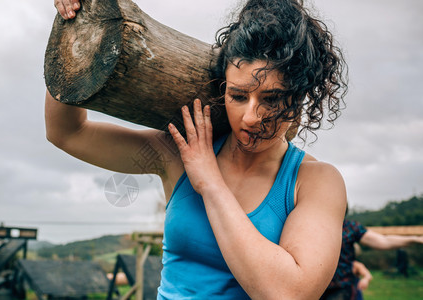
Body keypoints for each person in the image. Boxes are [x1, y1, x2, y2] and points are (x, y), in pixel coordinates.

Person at [47, 0, 349, 298]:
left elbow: (288, 294)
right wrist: (72, 26)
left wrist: (211, 183)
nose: (250, 117)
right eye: (239, 96)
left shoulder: (315, 182)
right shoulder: (181, 151)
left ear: (299, 97)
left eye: (271, 99)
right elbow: (67, 133)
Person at [321, 219, 423, 300]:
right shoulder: (309, 224)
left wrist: (414, 239)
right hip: (312, 285)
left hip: (341, 288)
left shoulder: (349, 227)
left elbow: (384, 240)